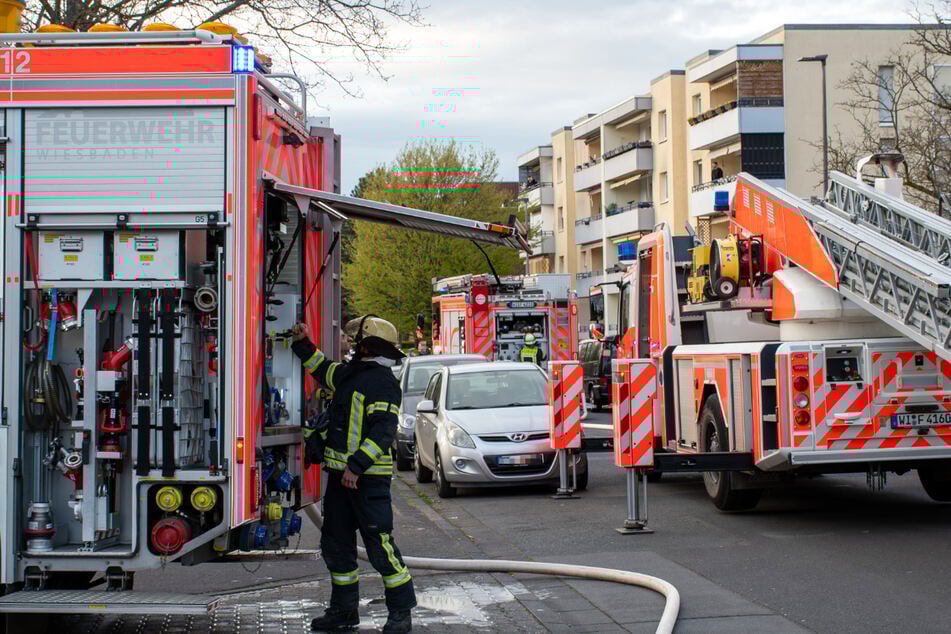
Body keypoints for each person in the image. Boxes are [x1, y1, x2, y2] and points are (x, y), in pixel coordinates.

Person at [291, 315, 416, 634]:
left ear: (367, 345)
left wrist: (356, 466)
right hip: (340, 478)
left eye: (356, 340)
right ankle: (344, 612)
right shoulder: (351, 373)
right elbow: (322, 368)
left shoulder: (383, 383)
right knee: (336, 545)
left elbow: (383, 431)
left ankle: (400, 613)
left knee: (379, 546)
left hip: (367, 479)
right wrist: (302, 342)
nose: (351, 344)